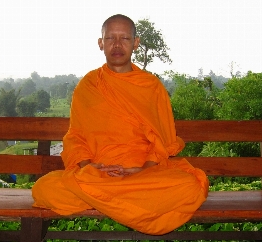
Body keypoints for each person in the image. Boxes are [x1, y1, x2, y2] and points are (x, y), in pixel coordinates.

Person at [32, 14, 209, 235]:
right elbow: (76, 136)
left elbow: (162, 142)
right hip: (98, 173)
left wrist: (143, 170)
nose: (117, 45)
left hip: (142, 174)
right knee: (44, 188)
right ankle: (126, 203)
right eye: (110, 38)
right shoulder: (88, 85)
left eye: (124, 38)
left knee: (189, 186)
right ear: (100, 43)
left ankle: (98, 198)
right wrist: (89, 167)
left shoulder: (150, 87)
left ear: (135, 43)